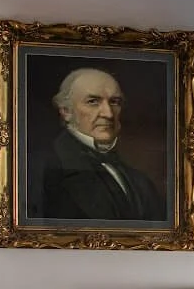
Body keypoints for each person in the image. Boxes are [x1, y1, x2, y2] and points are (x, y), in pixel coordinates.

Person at [30, 67, 167, 221]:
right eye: (93, 102)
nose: (108, 114)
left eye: (114, 102)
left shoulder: (141, 182)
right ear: (66, 111)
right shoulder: (40, 170)